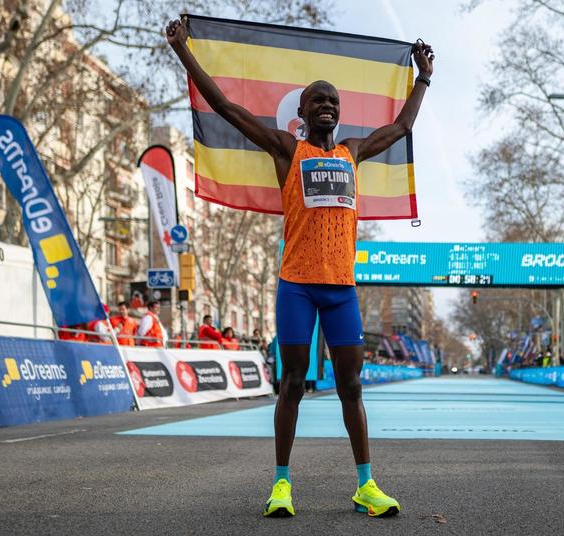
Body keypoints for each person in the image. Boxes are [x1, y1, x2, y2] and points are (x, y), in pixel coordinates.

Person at [166, 15, 433, 518]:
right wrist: (184, 52)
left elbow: (400, 127)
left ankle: (365, 485)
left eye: (333, 100)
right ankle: (282, 484)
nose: (327, 105)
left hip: (341, 289)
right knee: (292, 382)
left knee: (350, 386)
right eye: (318, 100)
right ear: (303, 113)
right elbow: (225, 107)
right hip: (297, 286)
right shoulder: (288, 150)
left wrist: (422, 78)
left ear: (340, 112)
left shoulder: (354, 152)